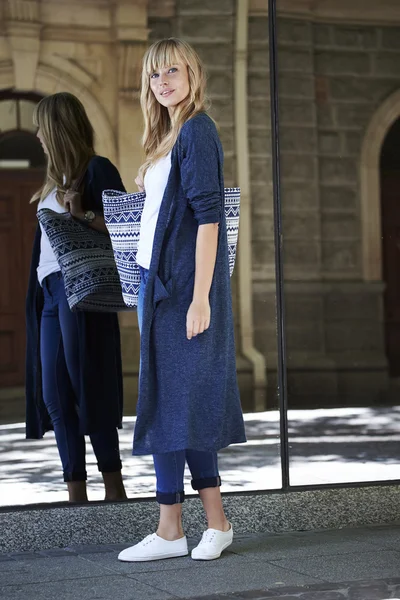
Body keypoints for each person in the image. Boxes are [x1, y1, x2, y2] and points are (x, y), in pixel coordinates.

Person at [118, 38, 246, 563]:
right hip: (159, 286)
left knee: (181, 403)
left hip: (186, 291)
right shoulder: (167, 136)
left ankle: (200, 524)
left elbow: (209, 220)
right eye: (154, 74)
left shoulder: (198, 130)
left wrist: (201, 299)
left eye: (172, 70)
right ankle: (183, 527)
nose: (163, 81)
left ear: (192, 72)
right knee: (169, 404)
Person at [25, 92, 127, 503]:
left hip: (79, 289)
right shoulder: (51, 183)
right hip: (49, 293)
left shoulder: (96, 170)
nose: (37, 135)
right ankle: (75, 491)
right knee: (54, 392)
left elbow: (127, 229)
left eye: (41, 127)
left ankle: (113, 486)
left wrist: (81, 212)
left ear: (57, 129)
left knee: (88, 382)